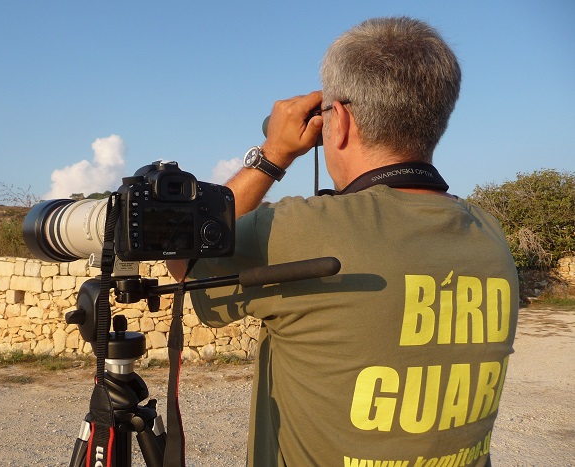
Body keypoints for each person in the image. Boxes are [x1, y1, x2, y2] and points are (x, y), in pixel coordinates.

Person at [168, 16, 518, 467]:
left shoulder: (299, 231)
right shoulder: (489, 234)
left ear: (342, 122)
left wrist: (272, 155)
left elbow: (185, 257)